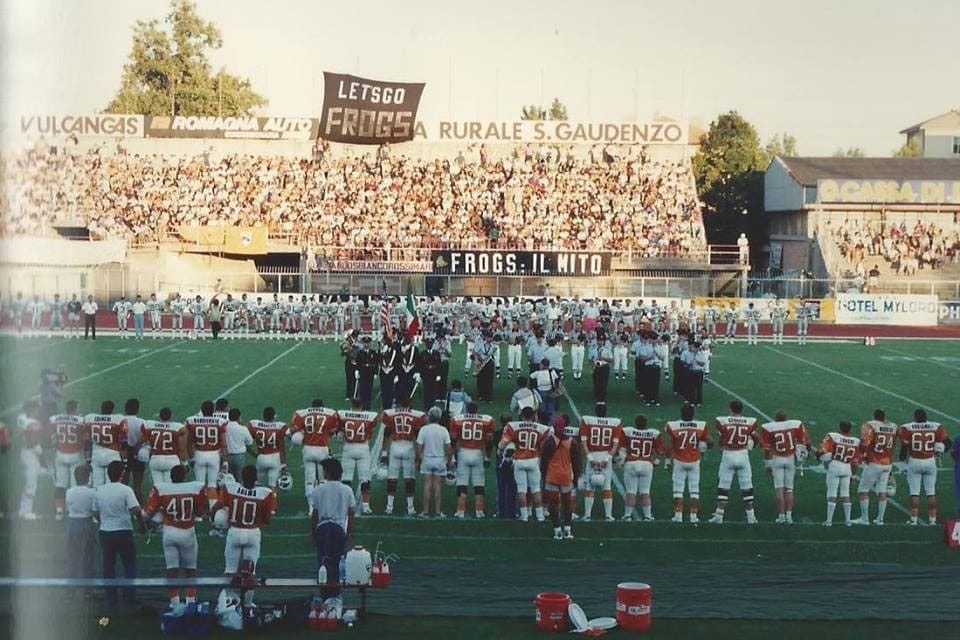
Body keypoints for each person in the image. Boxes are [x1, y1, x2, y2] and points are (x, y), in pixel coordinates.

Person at [210, 465, 275, 609]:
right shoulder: (265, 493)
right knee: (250, 572)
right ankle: (247, 604)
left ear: (242, 478)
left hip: (234, 532)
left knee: (230, 570)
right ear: (256, 479)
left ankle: (228, 602)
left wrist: (214, 521)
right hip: (252, 533)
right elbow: (268, 519)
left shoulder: (231, 489)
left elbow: (216, 507)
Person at [142, 464, 206, 608]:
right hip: (187, 531)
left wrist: (156, 517)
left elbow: (147, 515)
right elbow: (200, 513)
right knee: (190, 569)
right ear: (184, 477)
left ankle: (174, 602)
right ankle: (190, 601)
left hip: (169, 532)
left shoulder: (161, 488)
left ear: (171, 477)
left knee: (172, 569)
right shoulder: (195, 488)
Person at [94, 460, 145, 606]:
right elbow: (136, 510)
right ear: (122, 474)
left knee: (108, 565)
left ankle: (111, 596)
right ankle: (129, 595)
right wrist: (141, 525)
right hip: (123, 530)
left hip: (106, 531)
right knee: (129, 564)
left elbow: (95, 512)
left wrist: (104, 520)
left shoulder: (99, 490)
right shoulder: (126, 490)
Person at [310, 458, 355, 606]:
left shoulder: (318, 490)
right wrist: (349, 531)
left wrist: (313, 532)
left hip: (323, 527)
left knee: (322, 562)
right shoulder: (347, 490)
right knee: (336, 563)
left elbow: (315, 513)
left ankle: (325, 598)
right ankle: (335, 597)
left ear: (328, 472)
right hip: (338, 528)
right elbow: (351, 512)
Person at [709, 401, 760, 524]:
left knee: (724, 487)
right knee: (747, 486)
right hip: (743, 454)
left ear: (731, 408)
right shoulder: (749, 422)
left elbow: (721, 440)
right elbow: (756, 437)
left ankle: (719, 516)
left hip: (729, 454)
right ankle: (751, 517)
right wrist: (752, 446)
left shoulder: (723, 421)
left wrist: (722, 443)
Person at [898, 409, 951, 526]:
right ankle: (932, 519)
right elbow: (948, 443)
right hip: (930, 461)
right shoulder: (936, 427)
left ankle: (913, 519)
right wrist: (940, 452)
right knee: (931, 492)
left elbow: (904, 448)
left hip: (914, 461)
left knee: (914, 492)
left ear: (915, 417)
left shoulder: (907, 428)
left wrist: (902, 464)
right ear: (926, 417)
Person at [498, 406, 549, 522]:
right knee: (536, 489)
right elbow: (545, 445)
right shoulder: (542, 428)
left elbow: (503, 443)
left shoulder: (513, 426)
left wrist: (501, 452)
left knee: (521, 490)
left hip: (519, 460)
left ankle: (524, 515)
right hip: (533, 460)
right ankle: (540, 515)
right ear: (533, 415)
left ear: (522, 415)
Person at [760, 410, 810, 525]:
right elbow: (805, 442)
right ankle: (789, 516)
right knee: (789, 489)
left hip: (777, 459)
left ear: (775, 418)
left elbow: (766, 449)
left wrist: (767, 464)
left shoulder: (769, 427)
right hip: (790, 459)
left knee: (779, 489)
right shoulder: (794, 424)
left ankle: (781, 516)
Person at [664, 404, 712, 524]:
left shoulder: (673, 425)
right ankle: (693, 516)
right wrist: (704, 447)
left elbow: (669, 446)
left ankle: (678, 515)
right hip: (694, 460)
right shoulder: (700, 425)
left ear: (681, 413)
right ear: (693, 414)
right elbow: (710, 442)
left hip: (679, 460)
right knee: (694, 489)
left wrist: (667, 461)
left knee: (678, 490)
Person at [290, 401, 339, 513]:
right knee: (323, 479)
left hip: (308, 449)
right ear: (322, 406)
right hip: (322, 449)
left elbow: (292, 430)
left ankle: (311, 508)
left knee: (309, 480)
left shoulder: (302, 413)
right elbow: (333, 431)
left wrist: (301, 433)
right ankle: (323, 505)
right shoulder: (330, 413)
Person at [449, 402, 495, 518]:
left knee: (462, 482)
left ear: (466, 410)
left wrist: (453, 457)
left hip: (463, 452)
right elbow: (489, 441)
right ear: (477, 410)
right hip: (478, 453)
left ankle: (460, 510)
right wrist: (487, 456)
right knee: (479, 483)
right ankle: (479, 511)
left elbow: (453, 440)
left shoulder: (457, 419)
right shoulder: (487, 420)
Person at [382, 398, 426, 515]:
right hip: (409, 446)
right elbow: (418, 437)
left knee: (392, 478)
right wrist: (419, 455)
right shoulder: (416, 416)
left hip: (395, 446)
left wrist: (384, 452)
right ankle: (410, 507)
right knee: (409, 478)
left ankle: (389, 507)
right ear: (410, 404)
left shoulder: (391, 414)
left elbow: (386, 434)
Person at [854, 409, 897, 525]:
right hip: (887, 463)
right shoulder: (893, 426)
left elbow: (864, 442)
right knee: (882, 491)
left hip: (874, 462)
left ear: (874, 416)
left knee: (863, 491)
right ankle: (880, 519)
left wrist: (862, 454)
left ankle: (864, 519)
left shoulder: (870, 425)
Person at [578, 405, 622, 522]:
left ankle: (587, 515)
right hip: (606, 455)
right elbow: (615, 445)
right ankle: (608, 515)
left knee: (589, 487)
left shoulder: (587, 420)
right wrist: (607, 459)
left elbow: (583, 442)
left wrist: (590, 458)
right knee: (607, 487)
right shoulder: (615, 422)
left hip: (592, 454)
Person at [541, 415, 580, 540]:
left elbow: (544, 461)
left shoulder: (549, 441)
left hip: (552, 476)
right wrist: (576, 477)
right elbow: (576, 462)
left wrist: (543, 476)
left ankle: (557, 529)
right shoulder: (571, 442)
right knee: (567, 503)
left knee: (553, 504)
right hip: (566, 476)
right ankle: (567, 529)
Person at [619, 415, 665, 521]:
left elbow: (621, 448)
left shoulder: (628, 431)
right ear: (646, 423)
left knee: (631, 491)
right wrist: (656, 463)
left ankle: (627, 516)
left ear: (635, 423)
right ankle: (648, 516)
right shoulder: (653, 433)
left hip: (631, 463)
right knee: (645, 491)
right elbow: (661, 451)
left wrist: (620, 461)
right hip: (646, 463)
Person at [816, 421, 861, 527]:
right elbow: (855, 461)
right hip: (847, 467)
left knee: (832, 493)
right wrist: (853, 475)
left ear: (840, 428)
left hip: (835, 465)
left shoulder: (834, 436)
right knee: (846, 494)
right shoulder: (855, 441)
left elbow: (822, 450)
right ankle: (848, 521)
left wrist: (818, 456)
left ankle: (829, 521)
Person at [338, 399, 378, 515]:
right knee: (365, 479)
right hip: (362, 448)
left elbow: (339, 427)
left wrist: (341, 431)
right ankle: (366, 506)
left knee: (346, 479)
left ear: (352, 405)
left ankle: (346, 505)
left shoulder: (343, 414)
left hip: (349, 447)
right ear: (361, 406)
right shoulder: (369, 416)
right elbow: (371, 428)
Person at [186, 400, 228, 506]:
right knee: (212, 485)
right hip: (214, 454)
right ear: (213, 410)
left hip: (199, 454)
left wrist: (191, 458)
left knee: (199, 485)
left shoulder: (193, 421)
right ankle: (212, 510)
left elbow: (189, 442)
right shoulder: (219, 421)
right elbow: (223, 443)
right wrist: (225, 460)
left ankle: (199, 513)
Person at [51, 400, 86, 520]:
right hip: (74, 454)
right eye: (77, 408)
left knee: (60, 484)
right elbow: (84, 440)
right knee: (74, 483)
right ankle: (71, 508)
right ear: (74, 409)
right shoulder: (80, 421)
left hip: (60, 454)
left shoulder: (56, 418)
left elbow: (51, 435)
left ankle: (59, 511)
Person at [416, 407, 452, 517]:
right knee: (437, 486)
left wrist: (418, 460)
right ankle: (437, 511)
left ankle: (425, 511)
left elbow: (419, 448)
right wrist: (449, 462)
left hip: (427, 458)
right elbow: (449, 448)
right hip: (440, 459)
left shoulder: (424, 430)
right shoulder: (443, 430)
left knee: (427, 485)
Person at [84, 400, 127, 488]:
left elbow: (87, 441)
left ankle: (97, 501)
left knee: (97, 485)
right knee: (111, 485)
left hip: (96, 454)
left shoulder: (90, 418)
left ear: (101, 408)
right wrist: (125, 459)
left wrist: (88, 458)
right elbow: (123, 442)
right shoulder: (119, 419)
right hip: (112, 453)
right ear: (112, 410)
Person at [65, 465, 97, 580]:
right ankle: (88, 588)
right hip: (86, 522)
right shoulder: (92, 492)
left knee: (72, 555)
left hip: (73, 522)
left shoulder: (69, 492)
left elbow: (67, 507)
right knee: (88, 556)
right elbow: (94, 510)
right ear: (88, 477)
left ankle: (71, 587)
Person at [248, 407, 288, 496]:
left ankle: (257, 503)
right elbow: (282, 448)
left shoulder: (255, 425)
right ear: (273, 417)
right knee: (272, 485)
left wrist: (254, 454)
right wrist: (284, 464)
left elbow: (247, 442)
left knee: (258, 484)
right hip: (275, 457)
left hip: (261, 457)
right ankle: (272, 508)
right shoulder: (279, 426)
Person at [140, 407, 187, 485]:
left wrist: (146, 446)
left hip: (155, 460)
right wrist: (185, 463)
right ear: (171, 416)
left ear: (159, 416)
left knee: (158, 488)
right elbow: (181, 448)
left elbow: (140, 441)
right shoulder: (177, 427)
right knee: (170, 488)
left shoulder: (150, 425)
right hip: (171, 460)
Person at [18, 402, 45, 519]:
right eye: (36, 409)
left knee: (27, 483)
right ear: (31, 410)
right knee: (31, 484)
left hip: (24, 452)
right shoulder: (34, 424)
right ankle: (27, 511)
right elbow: (35, 444)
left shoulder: (22, 420)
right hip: (31, 455)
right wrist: (43, 460)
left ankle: (22, 510)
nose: (37, 411)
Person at [122, 398, 147, 504]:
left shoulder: (121, 421)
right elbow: (145, 437)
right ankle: (138, 509)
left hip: (123, 453)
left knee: (124, 483)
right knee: (137, 485)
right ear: (137, 409)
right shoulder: (142, 422)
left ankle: (124, 506)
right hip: (137, 454)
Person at [225, 408, 254, 482]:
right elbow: (250, 442)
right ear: (239, 417)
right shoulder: (243, 429)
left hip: (226, 456)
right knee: (239, 479)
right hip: (239, 457)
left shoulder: (224, 427)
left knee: (226, 479)